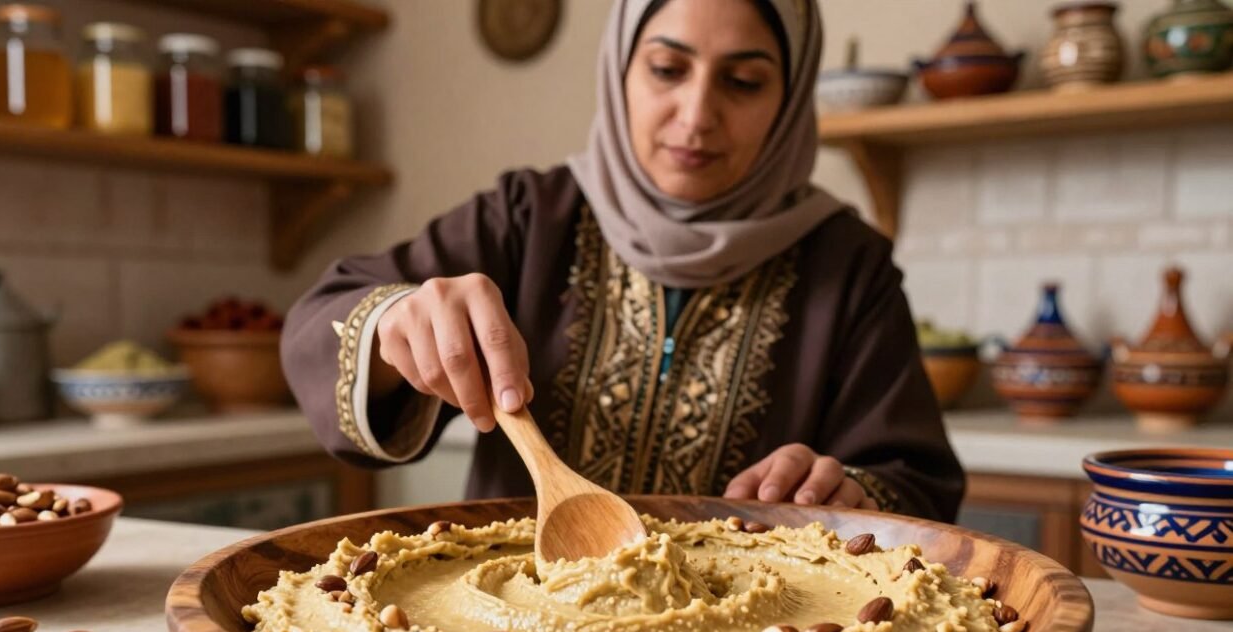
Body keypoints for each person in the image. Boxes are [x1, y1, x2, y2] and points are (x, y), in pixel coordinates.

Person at [281, 0, 965, 521]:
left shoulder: (849, 268)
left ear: (789, 99)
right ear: (621, 69)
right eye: (667, 69)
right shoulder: (528, 217)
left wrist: (843, 489)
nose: (696, 115)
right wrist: (396, 323)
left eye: (745, 82)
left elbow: (915, 483)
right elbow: (325, 317)